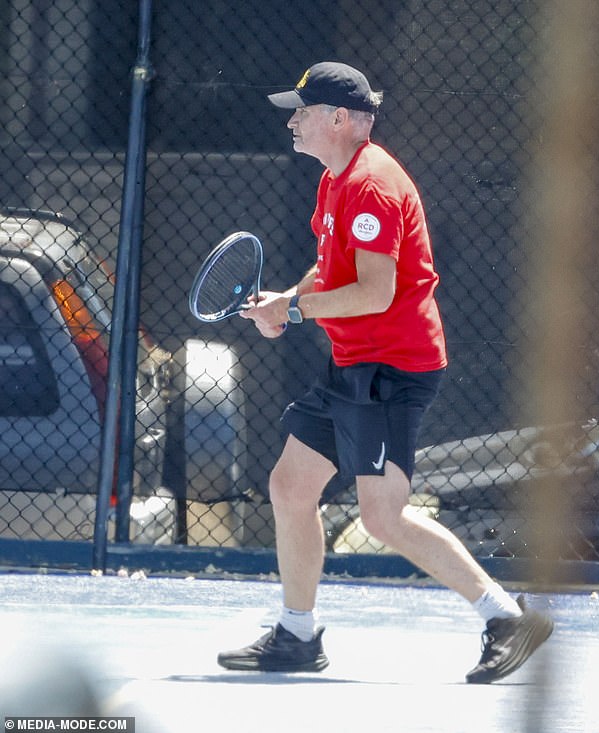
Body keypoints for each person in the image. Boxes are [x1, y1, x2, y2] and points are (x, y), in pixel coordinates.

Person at [217, 61, 553, 683]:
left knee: (383, 516)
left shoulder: (372, 184)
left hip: (391, 371)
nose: (291, 121)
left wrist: (292, 310)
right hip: (352, 363)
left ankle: (506, 617)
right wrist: (287, 302)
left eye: (302, 110)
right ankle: (296, 634)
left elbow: (374, 291)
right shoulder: (334, 179)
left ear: (339, 120)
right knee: (291, 487)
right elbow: (331, 270)